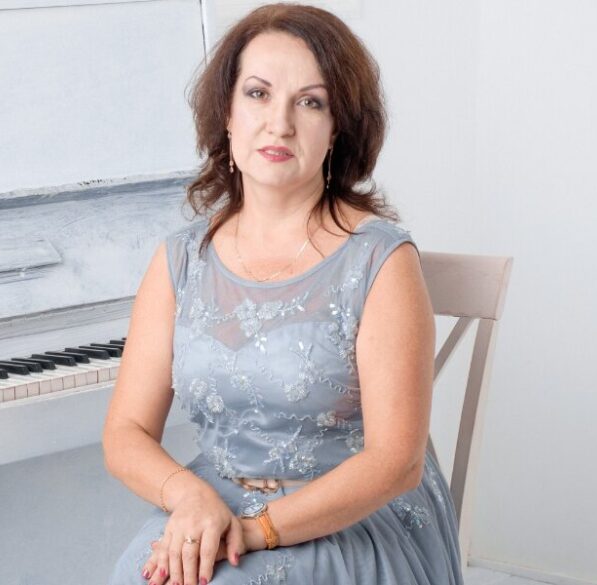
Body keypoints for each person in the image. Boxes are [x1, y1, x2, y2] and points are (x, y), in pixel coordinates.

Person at [102, 4, 464, 584]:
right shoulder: (181, 259)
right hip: (213, 504)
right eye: (258, 94)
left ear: (338, 128)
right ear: (226, 113)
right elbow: (126, 433)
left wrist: (254, 531)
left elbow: (396, 462)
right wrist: (190, 499)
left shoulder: (380, 260)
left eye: (310, 102)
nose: (280, 124)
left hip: (349, 517)